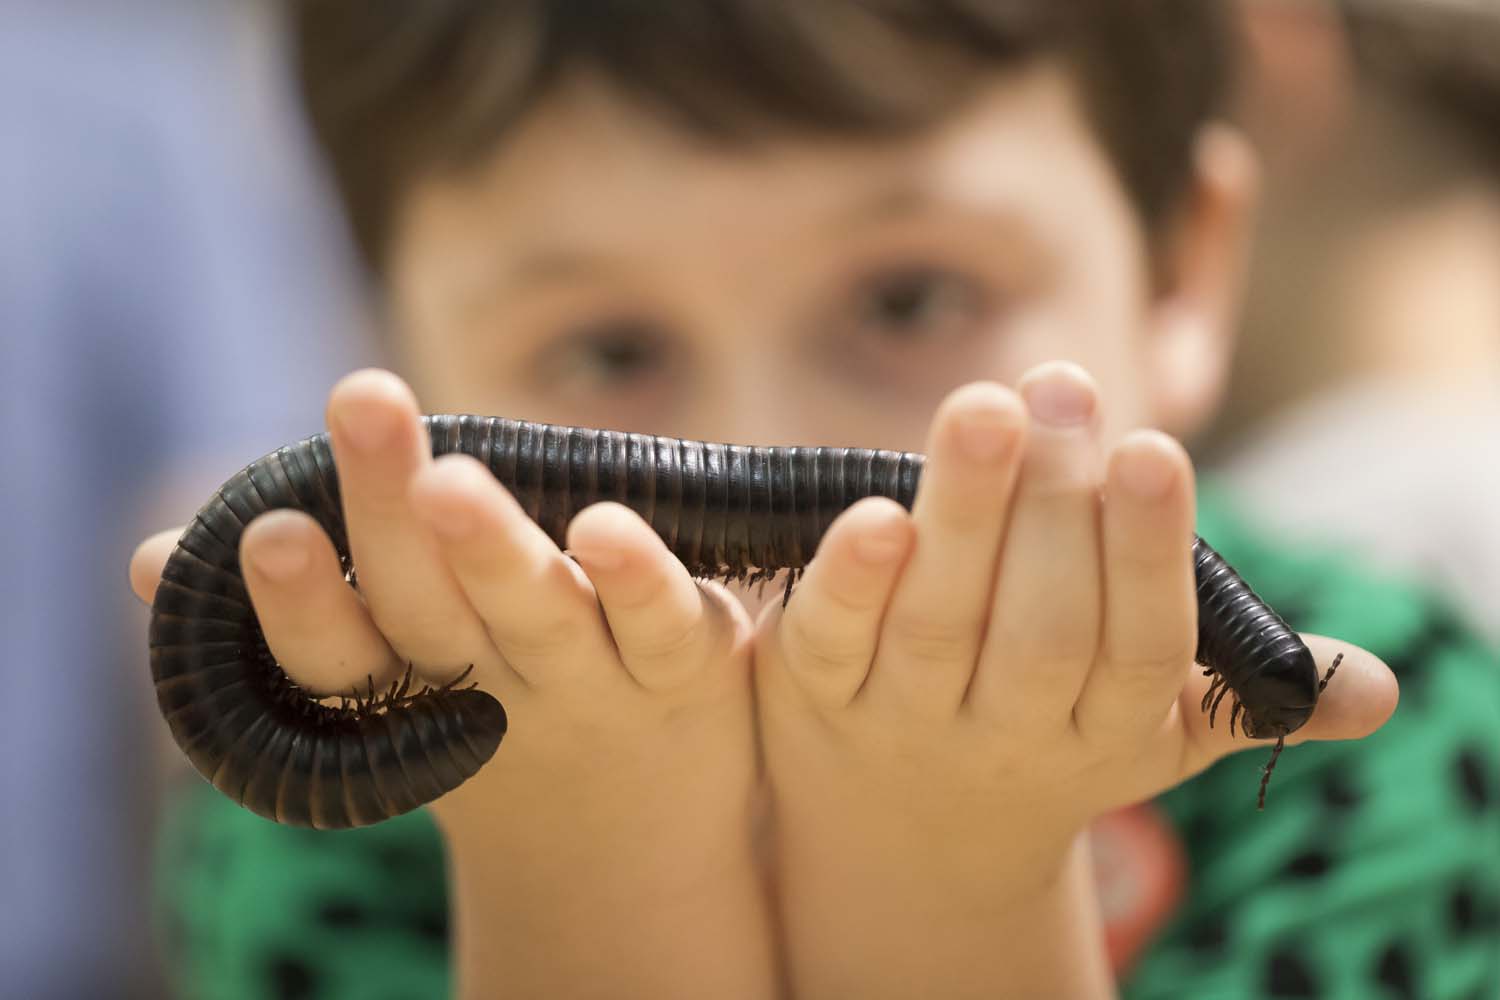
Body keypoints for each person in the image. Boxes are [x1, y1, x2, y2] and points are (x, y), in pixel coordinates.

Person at [126, 3, 1498, 998]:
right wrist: (577, 863)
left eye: (909, 299)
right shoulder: (322, 846)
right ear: (395, 351)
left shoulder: (1386, 753)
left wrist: (943, 862)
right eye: (609, 349)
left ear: (1178, 268)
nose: (758, 438)